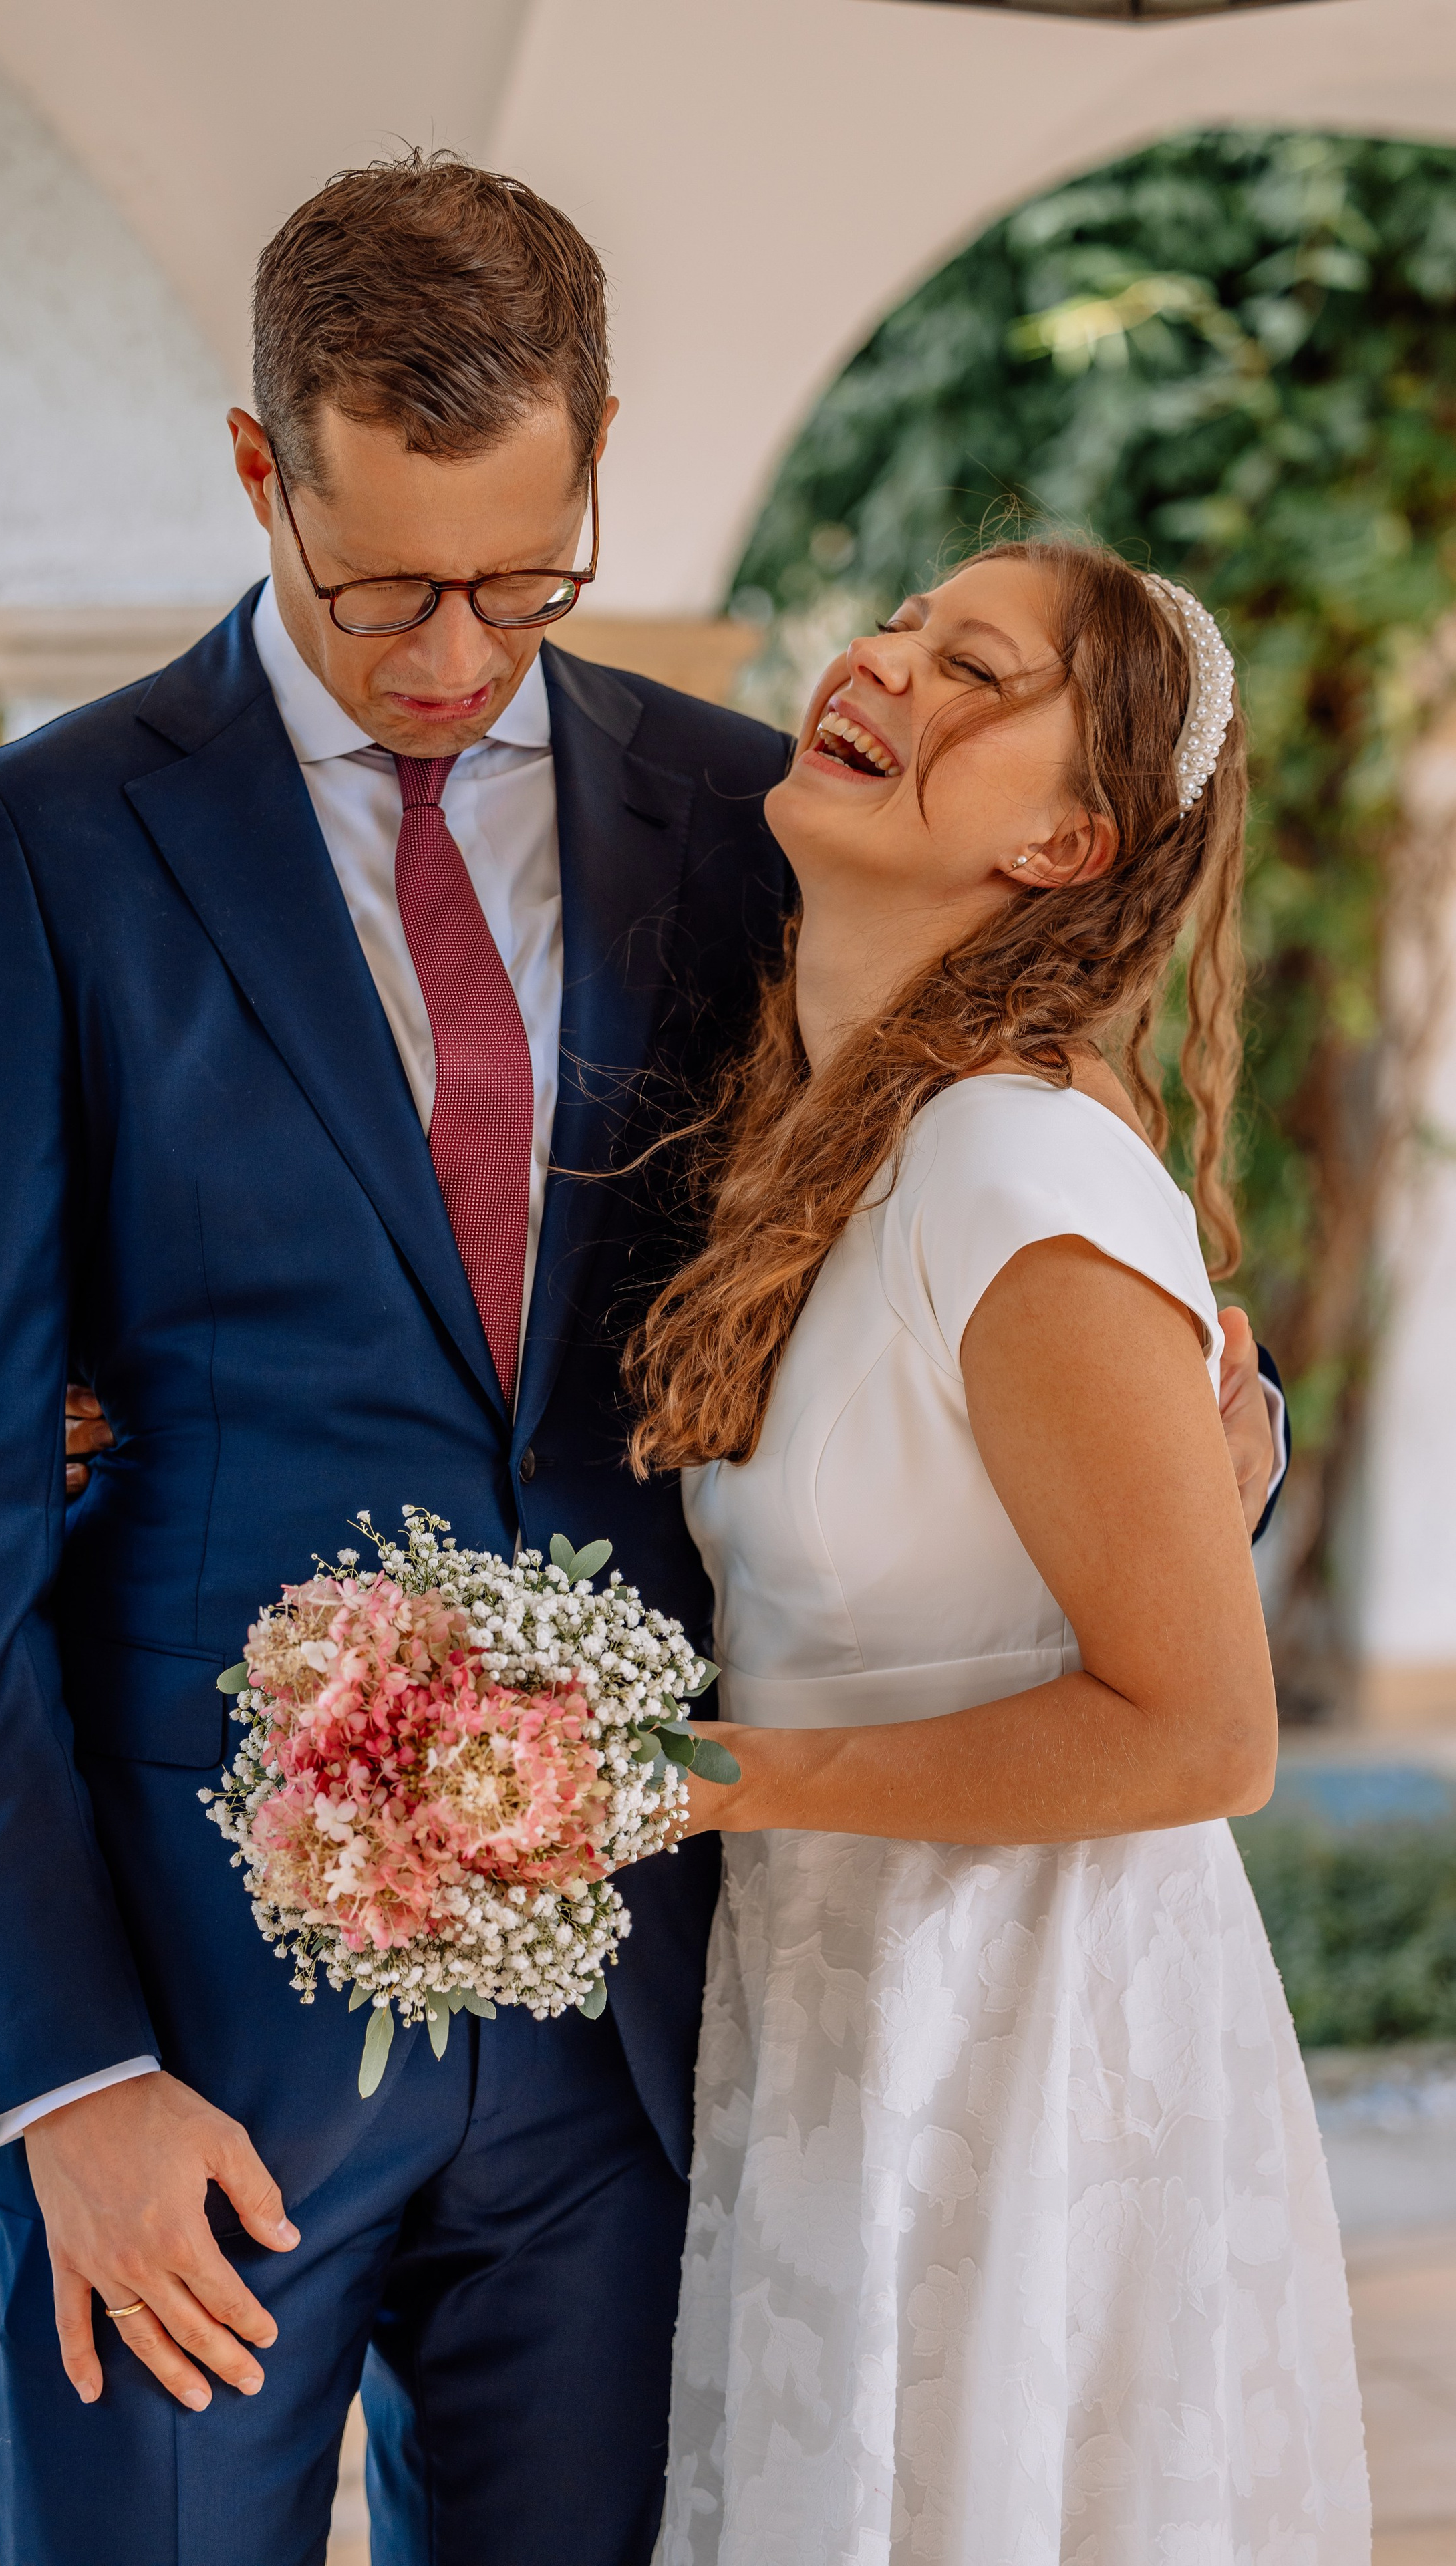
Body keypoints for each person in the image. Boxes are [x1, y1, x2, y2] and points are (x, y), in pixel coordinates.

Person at [0, 152, 1286, 2566]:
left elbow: (971, 1232)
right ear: (261, 471)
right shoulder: (36, 851)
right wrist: (59, 2076)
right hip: (199, 2021)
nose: (451, 654)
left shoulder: (752, 819)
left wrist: (1212, 1464)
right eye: (386, 588)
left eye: (523, 582)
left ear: (599, 453)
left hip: (648, 2045)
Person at [634, 541, 1368, 2562]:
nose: (885, 666)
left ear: (1066, 842)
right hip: (849, 2012)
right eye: (902, 629)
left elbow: (1206, 1733)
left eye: (976, 671)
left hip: (1025, 2046)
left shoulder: (1012, 1161)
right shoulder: (843, 1135)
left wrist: (714, 1777)